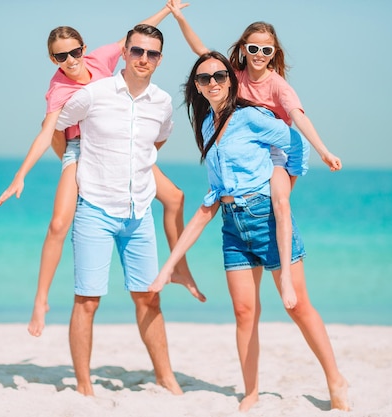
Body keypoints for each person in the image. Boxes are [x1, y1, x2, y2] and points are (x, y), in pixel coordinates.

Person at [152, 51, 349, 411]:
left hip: (268, 218)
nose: (212, 82)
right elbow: (210, 201)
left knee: (299, 307)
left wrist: (283, 182)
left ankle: (335, 378)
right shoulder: (207, 127)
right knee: (244, 313)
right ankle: (251, 392)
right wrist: (169, 266)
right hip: (232, 226)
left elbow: (295, 142)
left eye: (219, 76)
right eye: (203, 78)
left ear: (230, 78)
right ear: (196, 87)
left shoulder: (252, 117)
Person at [0, 1, 205, 338]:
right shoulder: (59, 89)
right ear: (53, 59)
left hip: (120, 146)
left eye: (74, 52)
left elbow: (136, 36)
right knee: (59, 223)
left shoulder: (101, 60)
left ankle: (180, 269)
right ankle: (41, 300)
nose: (70, 61)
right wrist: (20, 175)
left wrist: (167, 10)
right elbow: (45, 131)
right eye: (61, 57)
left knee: (176, 197)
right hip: (79, 149)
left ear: (84, 49)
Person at [158, 1, 342, 309]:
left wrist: (324, 151)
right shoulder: (234, 75)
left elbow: (298, 118)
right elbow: (201, 51)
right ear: (243, 49)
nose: (259, 55)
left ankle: (284, 276)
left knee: (280, 202)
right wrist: (178, 17)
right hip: (247, 150)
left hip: (277, 153)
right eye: (253, 48)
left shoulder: (278, 85)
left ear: (274, 54)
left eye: (266, 50)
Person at [53, 23, 183, 396]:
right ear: (124, 52)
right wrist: (72, 166)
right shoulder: (93, 94)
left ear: (159, 59)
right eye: (137, 51)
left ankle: (166, 377)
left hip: (139, 212)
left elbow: (158, 139)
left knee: (148, 296)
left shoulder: (161, 102)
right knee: (87, 300)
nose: (144, 58)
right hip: (94, 208)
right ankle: (83, 385)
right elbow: (59, 127)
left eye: (152, 53)